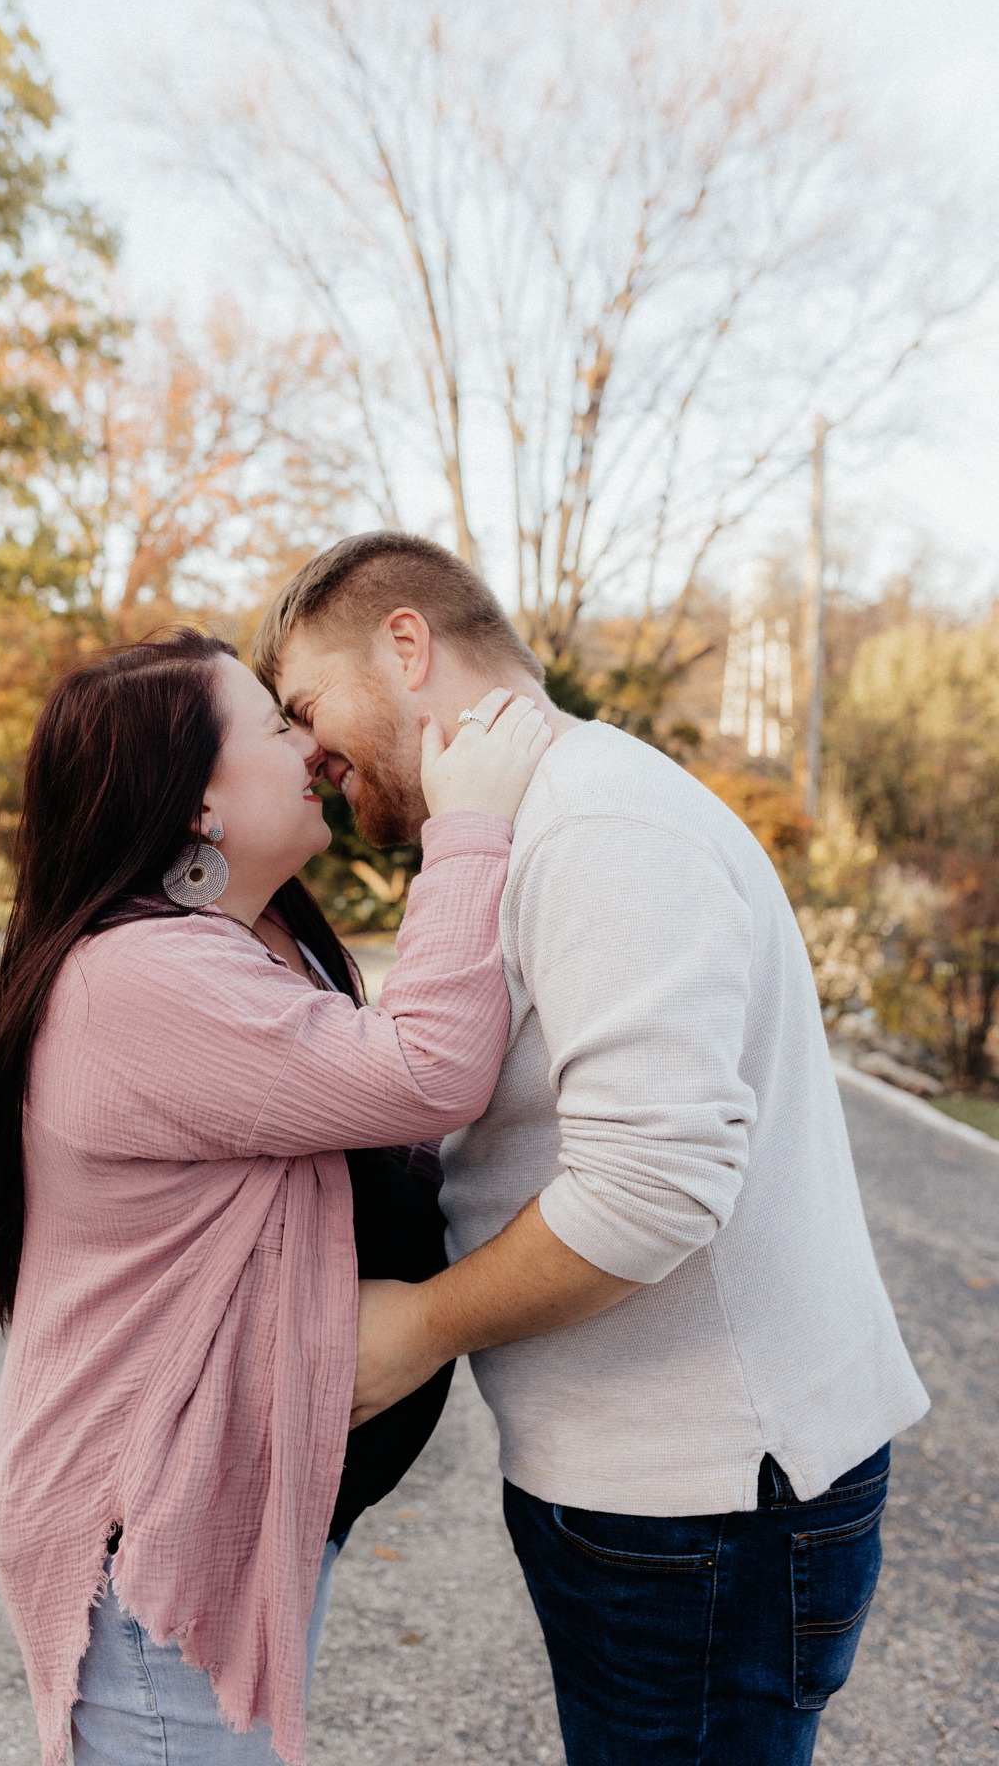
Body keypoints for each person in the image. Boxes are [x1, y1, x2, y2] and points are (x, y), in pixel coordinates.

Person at [254, 530, 930, 1766]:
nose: (306, 754)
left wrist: (418, 1326)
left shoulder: (598, 825)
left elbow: (654, 1182)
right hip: (670, 1499)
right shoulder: (535, 821)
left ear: (408, 644)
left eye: (305, 705)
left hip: (711, 1504)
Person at [0, 627, 551, 1766]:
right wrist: (467, 829)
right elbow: (425, 1071)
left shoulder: (257, 938)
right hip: (152, 1531)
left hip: (227, 1511)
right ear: (197, 803)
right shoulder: (139, 977)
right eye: (275, 723)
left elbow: (382, 1115)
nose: (311, 745)